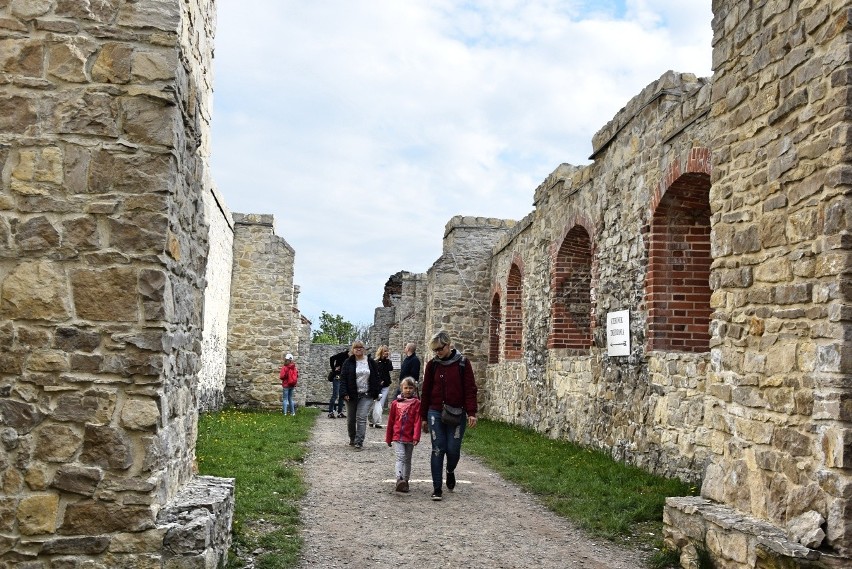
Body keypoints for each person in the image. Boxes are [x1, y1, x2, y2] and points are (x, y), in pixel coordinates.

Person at [420, 330, 477, 501]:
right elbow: (426, 391)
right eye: (435, 350)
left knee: (453, 449)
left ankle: (450, 470)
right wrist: (423, 417)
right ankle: (437, 488)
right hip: (435, 411)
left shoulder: (463, 363)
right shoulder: (433, 365)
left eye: (440, 349)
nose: (438, 352)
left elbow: (470, 389)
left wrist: (471, 412)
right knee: (438, 448)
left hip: (457, 412)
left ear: (448, 345)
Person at [340, 340, 380, 450]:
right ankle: (352, 438)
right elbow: (343, 379)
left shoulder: (370, 362)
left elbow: (376, 377)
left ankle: (359, 441)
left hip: (366, 394)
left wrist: (376, 392)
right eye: (356, 347)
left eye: (361, 347)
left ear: (364, 349)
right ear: (353, 350)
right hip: (352, 394)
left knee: (361, 417)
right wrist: (344, 393)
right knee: (351, 419)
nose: (359, 349)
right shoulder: (348, 362)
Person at [385, 376, 421, 493]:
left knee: (408, 459)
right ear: (401, 388)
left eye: (411, 388)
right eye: (406, 388)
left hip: (410, 436)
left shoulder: (416, 403)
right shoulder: (396, 404)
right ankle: (399, 479)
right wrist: (388, 437)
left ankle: (406, 480)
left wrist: (416, 436)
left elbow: (417, 421)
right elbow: (391, 421)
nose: (408, 390)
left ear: (414, 389)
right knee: (400, 457)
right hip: (398, 436)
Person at [370, 345, 393, 428]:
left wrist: (386, 360)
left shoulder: (388, 362)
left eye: (387, 351)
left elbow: (390, 369)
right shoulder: (375, 362)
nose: (386, 353)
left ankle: (377, 422)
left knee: (381, 403)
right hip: (377, 385)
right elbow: (374, 373)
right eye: (385, 351)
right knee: (376, 402)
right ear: (381, 352)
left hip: (385, 385)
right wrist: (379, 381)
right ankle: (373, 420)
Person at [327, 349, 348, 419]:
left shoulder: (352, 358)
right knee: (335, 394)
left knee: (342, 395)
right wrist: (333, 369)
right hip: (337, 377)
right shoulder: (342, 355)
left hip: (343, 378)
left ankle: (340, 412)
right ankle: (330, 412)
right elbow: (331, 358)